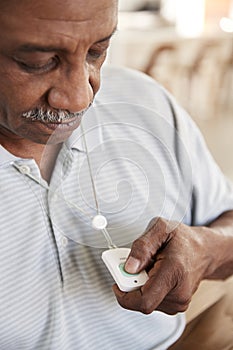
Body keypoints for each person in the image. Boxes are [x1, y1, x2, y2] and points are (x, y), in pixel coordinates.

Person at [0, 0, 232, 349]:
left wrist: (207, 248)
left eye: (97, 51)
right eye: (38, 63)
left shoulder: (147, 103)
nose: (80, 97)